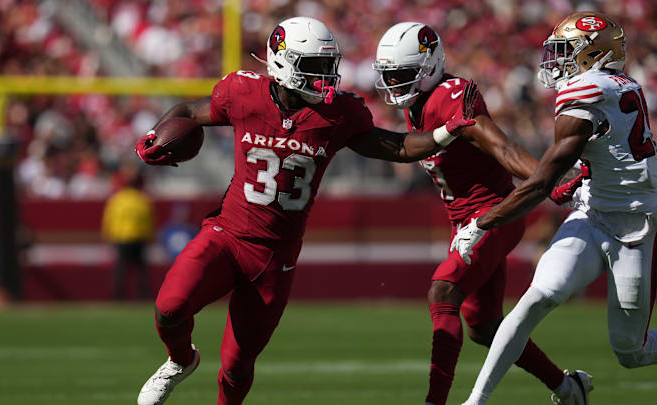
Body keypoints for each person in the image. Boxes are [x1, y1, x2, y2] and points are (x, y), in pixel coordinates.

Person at [132, 17, 476, 405]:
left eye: (328, 66)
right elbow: (188, 112)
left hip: (274, 257)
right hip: (226, 234)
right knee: (169, 307)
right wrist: (152, 137)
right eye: (315, 67)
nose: (326, 77)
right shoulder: (244, 92)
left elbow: (397, 147)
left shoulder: (339, 115)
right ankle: (181, 360)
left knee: (238, 365)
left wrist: (446, 132)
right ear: (281, 64)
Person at [371, 22, 588, 405]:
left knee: (443, 290)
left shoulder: (450, 96)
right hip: (465, 223)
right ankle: (569, 389)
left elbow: (501, 147)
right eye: (390, 76)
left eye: (403, 75)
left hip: (494, 214)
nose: (394, 84)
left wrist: (548, 180)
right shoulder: (418, 104)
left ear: (429, 67)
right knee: (485, 326)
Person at [454, 12, 657, 405]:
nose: (556, 60)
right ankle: (475, 401)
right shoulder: (620, 85)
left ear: (592, 54)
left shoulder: (586, 91)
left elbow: (541, 183)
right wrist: (583, 176)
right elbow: (606, 152)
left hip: (637, 229)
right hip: (593, 214)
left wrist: (482, 223)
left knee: (630, 352)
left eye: (566, 51)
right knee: (536, 297)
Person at [102, 162, 154, 300]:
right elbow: (149, 220)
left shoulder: (117, 199)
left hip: (122, 239)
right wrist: (149, 236)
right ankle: (143, 296)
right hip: (139, 238)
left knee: (121, 269)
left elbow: (109, 219)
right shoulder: (143, 199)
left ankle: (118, 296)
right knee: (141, 271)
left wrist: (108, 235)